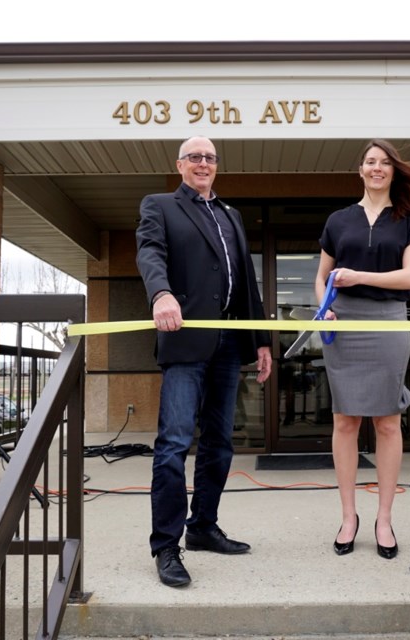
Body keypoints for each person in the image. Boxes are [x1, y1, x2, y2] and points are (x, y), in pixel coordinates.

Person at [136, 135, 273, 587]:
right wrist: (160, 293)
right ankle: (166, 546)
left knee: (219, 444)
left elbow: (248, 285)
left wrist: (261, 342)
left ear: (217, 166)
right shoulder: (160, 206)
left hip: (230, 347)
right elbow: (150, 252)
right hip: (185, 345)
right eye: (194, 157)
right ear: (179, 164)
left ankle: (202, 527)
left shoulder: (232, 215)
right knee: (174, 445)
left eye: (210, 158)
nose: (203, 163)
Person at [314, 139, 410, 559]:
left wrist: (359, 276)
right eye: (370, 161)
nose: (376, 168)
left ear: (393, 171)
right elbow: (323, 277)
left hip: (388, 321)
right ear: (360, 169)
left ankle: (384, 518)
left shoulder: (409, 220)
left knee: (387, 422)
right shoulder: (338, 220)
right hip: (344, 323)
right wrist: (324, 309)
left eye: (384, 163)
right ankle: (348, 516)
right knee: (345, 422)